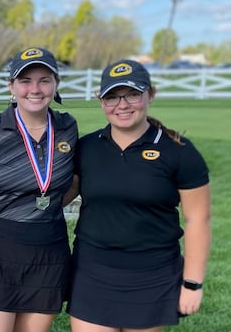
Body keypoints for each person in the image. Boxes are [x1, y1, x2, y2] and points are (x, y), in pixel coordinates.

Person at [67, 59, 211, 332]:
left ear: (150, 94)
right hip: (91, 272)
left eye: (132, 94)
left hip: (152, 274)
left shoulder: (178, 151)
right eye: (112, 97)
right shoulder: (86, 147)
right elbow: (59, 195)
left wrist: (192, 283)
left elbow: (198, 219)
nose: (122, 105)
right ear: (101, 101)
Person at [0, 47, 78, 332]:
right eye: (25, 81)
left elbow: (77, 177)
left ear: (56, 84)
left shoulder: (67, 127)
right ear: (11, 86)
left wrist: (50, 203)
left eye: (44, 80)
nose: (35, 89)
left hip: (48, 250)